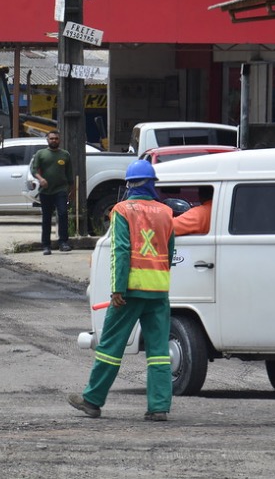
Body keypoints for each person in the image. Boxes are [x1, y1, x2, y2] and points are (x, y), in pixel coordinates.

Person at [68, 159, 176, 422]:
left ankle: (92, 400)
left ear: (129, 184)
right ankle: (159, 407)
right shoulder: (166, 212)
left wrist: (117, 288)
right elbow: (169, 252)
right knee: (159, 352)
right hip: (158, 291)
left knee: (110, 346)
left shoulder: (122, 210)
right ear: (151, 184)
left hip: (129, 291)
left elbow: (121, 250)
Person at [30, 131, 74, 254]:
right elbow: (34, 170)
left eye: (56, 138)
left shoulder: (65, 155)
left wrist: (72, 191)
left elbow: (70, 175)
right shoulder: (41, 154)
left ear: (59, 140)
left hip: (61, 190)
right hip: (46, 191)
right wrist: (41, 179)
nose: (54, 140)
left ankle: (63, 242)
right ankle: (46, 245)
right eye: (51, 138)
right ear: (47, 140)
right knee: (47, 218)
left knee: (63, 214)